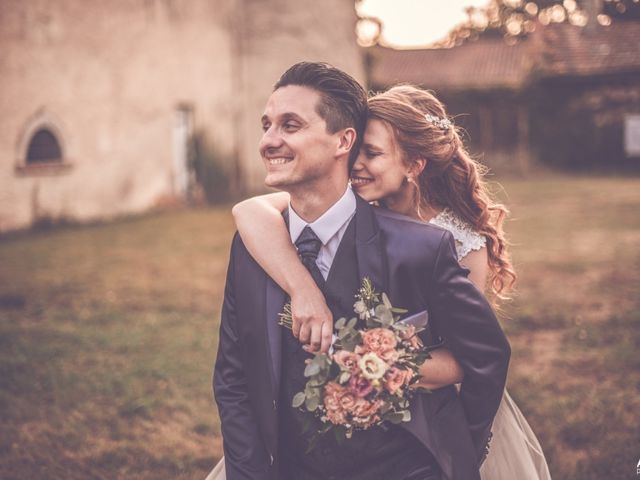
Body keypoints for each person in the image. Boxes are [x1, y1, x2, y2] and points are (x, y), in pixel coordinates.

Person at [212, 62, 510, 480]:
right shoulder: (254, 243)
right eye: (266, 126)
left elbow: (480, 357)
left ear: (343, 141)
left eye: (290, 125)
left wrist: (458, 457)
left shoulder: (427, 246)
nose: (268, 141)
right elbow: (234, 377)